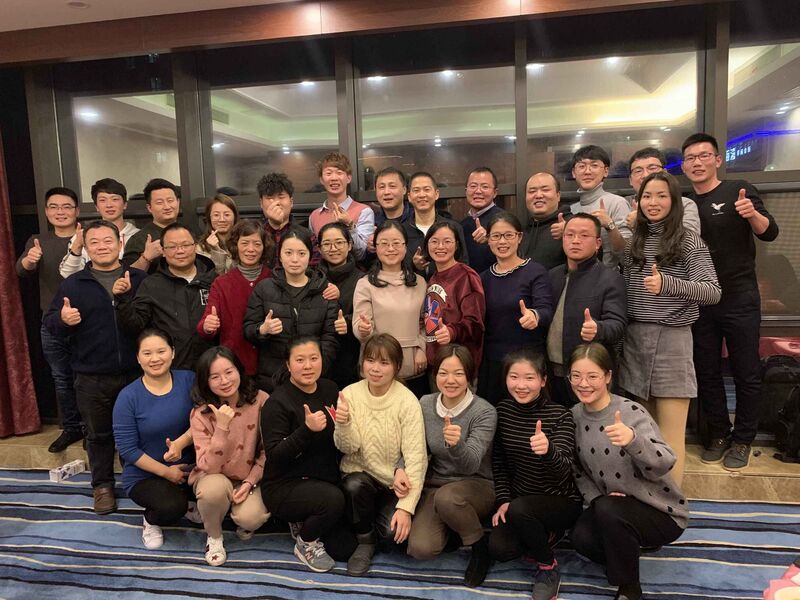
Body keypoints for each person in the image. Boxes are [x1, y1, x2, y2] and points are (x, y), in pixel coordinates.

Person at [682, 132, 779, 470]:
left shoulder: (739, 189)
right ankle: (720, 434)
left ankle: (743, 439)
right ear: (684, 166)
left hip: (739, 297)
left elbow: (769, 232)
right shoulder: (685, 204)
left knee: (746, 372)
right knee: (707, 371)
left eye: (703, 156)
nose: (697, 162)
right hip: (701, 300)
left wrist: (751, 213)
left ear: (717, 160)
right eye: (690, 158)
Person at [620, 171, 720, 484]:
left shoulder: (689, 240)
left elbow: (713, 291)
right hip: (635, 339)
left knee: (670, 435)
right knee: (642, 433)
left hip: (672, 340)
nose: (653, 202)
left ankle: (673, 503)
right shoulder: (634, 241)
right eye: (647, 196)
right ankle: (647, 501)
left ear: (674, 201)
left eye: (661, 196)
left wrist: (668, 284)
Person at [43, 220, 147, 514]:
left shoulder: (139, 279)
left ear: (120, 244)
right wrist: (63, 320)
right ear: (86, 248)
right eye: (94, 242)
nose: (102, 247)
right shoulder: (73, 284)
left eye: (108, 241)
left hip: (136, 373)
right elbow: (50, 323)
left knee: (137, 432)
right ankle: (102, 486)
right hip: (91, 375)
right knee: (98, 435)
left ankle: (138, 482)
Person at [569, 342, 688, 600]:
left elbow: (666, 461)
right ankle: (627, 548)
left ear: (608, 376)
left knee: (607, 510)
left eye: (592, 376)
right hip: (611, 508)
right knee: (581, 538)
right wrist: (596, 498)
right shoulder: (574, 416)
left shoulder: (630, 412)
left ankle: (630, 588)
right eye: (576, 376)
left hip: (658, 510)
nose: (583, 384)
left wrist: (634, 440)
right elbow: (577, 470)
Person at [489, 348, 582, 600]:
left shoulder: (560, 415)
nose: (521, 385)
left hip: (560, 500)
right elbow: (499, 462)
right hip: (521, 500)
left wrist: (548, 450)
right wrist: (503, 499)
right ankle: (545, 535)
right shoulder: (503, 411)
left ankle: (548, 566)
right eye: (514, 377)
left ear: (543, 380)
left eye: (529, 378)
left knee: (521, 510)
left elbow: (565, 473)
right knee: (499, 548)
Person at [260, 337, 357, 572]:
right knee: (333, 500)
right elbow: (275, 456)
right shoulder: (277, 402)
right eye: (300, 360)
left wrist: (345, 422)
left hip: (323, 479)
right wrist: (306, 430)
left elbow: (339, 438)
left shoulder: (330, 389)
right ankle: (305, 543)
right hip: (284, 484)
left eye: (314, 358)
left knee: (345, 548)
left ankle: (304, 518)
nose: (308, 366)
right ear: (287, 364)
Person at [334, 333, 428, 576]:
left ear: (397, 366)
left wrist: (406, 508)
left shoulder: (407, 401)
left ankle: (365, 523)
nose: (375, 369)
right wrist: (343, 424)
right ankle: (365, 540)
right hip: (359, 479)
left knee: (393, 536)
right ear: (362, 362)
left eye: (384, 363)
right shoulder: (349, 394)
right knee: (354, 485)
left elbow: (416, 457)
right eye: (370, 360)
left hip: (392, 486)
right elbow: (347, 448)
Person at [408, 345, 496, 588]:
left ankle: (480, 549)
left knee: (448, 499)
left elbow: (471, 465)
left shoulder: (484, 411)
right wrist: (400, 469)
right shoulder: (425, 403)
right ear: (435, 374)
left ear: (469, 376)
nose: (450, 380)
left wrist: (456, 444)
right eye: (443, 373)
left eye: (458, 373)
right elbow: (413, 445)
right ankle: (454, 528)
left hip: (476, 484)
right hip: (436, 484)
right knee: (420, 548)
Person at [112, 329, 195, 549]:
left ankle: (188, 501)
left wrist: (182, 442)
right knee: (172, 507)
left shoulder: (189, 380)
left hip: (189, 468)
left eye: (161, 351)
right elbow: (128, 450)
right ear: (138, 358)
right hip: (145, 474)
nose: (155, 359)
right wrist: (167, 472)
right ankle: (151, 520)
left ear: (173, 353)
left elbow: (204, 421)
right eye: (147, 353)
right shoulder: (128, 397)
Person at [188, 346, 270, 566]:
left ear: (239, 371)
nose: (224, 381)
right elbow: (208, 466)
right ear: (205, 381)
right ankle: (214, 536)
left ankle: (226, 513)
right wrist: (222, 428)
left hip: (249, 476)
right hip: (213, 476)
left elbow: (269, 451)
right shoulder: (200, 413)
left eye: (229, 372)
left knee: (251, 519)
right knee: (212, 491)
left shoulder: (261, 400)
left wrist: (250, 481)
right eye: (215, 377)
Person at [16, 186, 83, 453]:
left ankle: (93, 429)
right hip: (51, 320)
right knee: (61, 377)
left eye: (66, 206)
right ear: (46, 212)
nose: (60, 212)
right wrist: (30, 260)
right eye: (54, 207)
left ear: (77, 211)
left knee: (89, 377)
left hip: (86, 319)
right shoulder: (38, 241)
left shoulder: (87, 236)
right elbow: (21, 270)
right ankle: (71, 427)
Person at [243, 227, 338, 393]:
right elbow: (248, 329)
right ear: (280, 256)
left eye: (301, 253)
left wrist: (315, 368)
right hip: (272, 379)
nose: (295, 259)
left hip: (314, 379)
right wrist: (262, 329)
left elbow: (330, 337)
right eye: (288, 253)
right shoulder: (264, 288)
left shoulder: (325, 290)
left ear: (310, 256)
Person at [547, 213, 627, 407]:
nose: (575, 241)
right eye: (570, 235)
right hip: (551, 374)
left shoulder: (610, 279)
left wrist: (598, 329)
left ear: (598, 243)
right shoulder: (552, 276)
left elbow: (618, 325)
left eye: (584, 235)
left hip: (588, 376)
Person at [116, 223, 217, 370]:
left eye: (186, 245)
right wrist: (123, 299)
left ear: (195, 246)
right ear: (163, 251)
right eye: (172, 247)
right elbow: (134, 326)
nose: (180, 251)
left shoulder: (214, 280)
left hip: (211, 369)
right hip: (170, 371)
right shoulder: (151, 285)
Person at [478, 212, 554, 405]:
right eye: (496, 236)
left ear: (519, 237)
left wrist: (534, 315)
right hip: (493, 362)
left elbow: (546, 310)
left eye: (508, 235)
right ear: (488, 240)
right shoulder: (483, 278)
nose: (502, 241)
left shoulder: (535, 271)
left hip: (527, 362)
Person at [353, 221, 428, 397]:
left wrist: (422, 348)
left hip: (413, 365)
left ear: (405, 247)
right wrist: (363, 329)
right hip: (377, 366)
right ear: (376, 248)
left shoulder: (419, 283)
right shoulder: (365, 284)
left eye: (396, 243)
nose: (390, 249)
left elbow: (426, 324)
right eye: (384, 244)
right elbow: (359, 326)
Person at [197, 219, 273, 376]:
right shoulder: (222, 283)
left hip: (270, 365)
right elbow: (205, 325)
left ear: (264, 247)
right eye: (244, 243)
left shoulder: (273, 278)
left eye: (257, 244)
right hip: (234, 365)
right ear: (235, 246)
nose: (251, 249)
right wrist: (207, 326)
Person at [421, 221, 485, 373]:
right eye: (434, 241)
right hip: (435, 364)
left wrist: (452, 331)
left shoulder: (466, 276)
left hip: (459, 365)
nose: (440, 246)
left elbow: (476, 323)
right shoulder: (433, 278)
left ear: (456, 245)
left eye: (447, 241)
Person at [58, 178, 140, 278]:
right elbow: (67, 274)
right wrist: (78, 245)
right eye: (102, 200)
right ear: (96, 207)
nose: (109, 205)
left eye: (114, 199)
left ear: (125, 204)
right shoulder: (83, 236)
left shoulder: (138, 236)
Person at [318, 222, 365, 389]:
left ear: (350, 245)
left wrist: (348, 322)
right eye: (327, 244)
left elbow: (368, 316)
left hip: (350, 357)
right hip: (319, 358)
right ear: (319, 249)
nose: (333, 248)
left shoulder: (362, 279)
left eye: (339, 242)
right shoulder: (312, 278)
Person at [569, 145, 631, 267]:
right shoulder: (571, 209)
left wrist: (610, 226)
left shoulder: (617, 203)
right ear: (573, 173)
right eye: (581, 166)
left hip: (607, 276)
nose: (587, 171)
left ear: (606, 171)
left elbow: (627, 255)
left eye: (594, 165)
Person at [308, 152, 375, 261]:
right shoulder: (314, 216)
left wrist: (349, 225)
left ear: (348, 178)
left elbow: (361, 254)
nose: (334, 178)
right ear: (321, 179)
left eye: (339, 173)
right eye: (328, 173)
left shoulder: (364, 211)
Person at [405, 171, 469, 278]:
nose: (422, 195)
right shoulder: (402, 231)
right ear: (409, 196)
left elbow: (464, 265)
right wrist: (414, 266)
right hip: (413, 287)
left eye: (427, 189)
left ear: (436, 194)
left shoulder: (453, 227)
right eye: (416, 190)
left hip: (447, 286)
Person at [623, 147, 701, 235]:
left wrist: (642, 222)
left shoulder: (684, 204)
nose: (645, 175)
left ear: (665, 173)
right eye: (638, 171)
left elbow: (689, 239)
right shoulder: (622, 204)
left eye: (652, 168)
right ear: (630, 180)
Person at [258, 172, 321, 269]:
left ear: (291, 202)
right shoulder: (254, 234)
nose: (276, 203)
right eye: (270, 198)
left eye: (281, 197)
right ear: (261, 203)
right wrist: (274, 226)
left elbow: (314, 270)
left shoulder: (307, 235)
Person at [123, 178, 181, 271]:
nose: (167, 207)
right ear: (149, 208)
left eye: (170, 200)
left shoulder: (189, 232)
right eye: (159, 202)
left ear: (178, 202)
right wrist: (146, 257)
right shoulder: (139, 239)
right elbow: (128, 274)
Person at [520, 171, 571, 270]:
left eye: (545, 190)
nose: (538, 195)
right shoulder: (521, 230)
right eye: (532, 191)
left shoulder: (570, 225)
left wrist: (571, 233)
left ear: (558, 195)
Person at [460, 166, 504, 274]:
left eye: (484, 187)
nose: (478, 191)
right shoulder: (462, 224)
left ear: (495, 192)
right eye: (473, 186)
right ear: (466, 191)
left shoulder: (504, 220)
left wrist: (490, 239)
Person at [197, 193, 238, 274]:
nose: (222, 219)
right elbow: (214, 277)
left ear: (235, 216)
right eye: (216, 215)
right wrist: (216, 250)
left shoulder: (242, 243)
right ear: (209, 218)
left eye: (227, 215)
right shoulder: (200, 248)